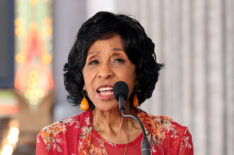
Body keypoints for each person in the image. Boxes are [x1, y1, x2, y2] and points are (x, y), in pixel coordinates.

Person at [36, 11, 193, 155]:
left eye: (118, 60)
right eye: (94, 61)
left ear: (137, 73)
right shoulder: (54, 141)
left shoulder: (173, 139)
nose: (104, 72)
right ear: (82, 78)